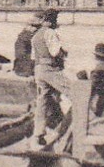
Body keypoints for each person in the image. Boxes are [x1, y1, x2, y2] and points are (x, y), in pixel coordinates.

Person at [29, 10, 72, 150]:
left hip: (39, 69)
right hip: (50, 69)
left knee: (42, 101)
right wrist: (64, 53)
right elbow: (55, 52)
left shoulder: (35, 36)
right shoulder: (50, 32)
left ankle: (38, 134)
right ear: (51, 21)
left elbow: (33, 58)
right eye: (55, 20)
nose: (56, 23)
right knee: (75, 93)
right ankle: (73, 126)